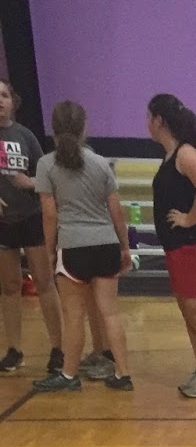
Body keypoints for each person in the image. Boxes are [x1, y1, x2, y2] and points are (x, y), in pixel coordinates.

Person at [31, 101, 133, 393]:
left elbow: (50, 215)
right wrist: (124, 246)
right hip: (106, 245)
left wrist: (50, 251)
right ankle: (123, 374)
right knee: (110, 312)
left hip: (73, 247)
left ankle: (68, 375)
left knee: (73, 316)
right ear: (84, 128)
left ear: (53, 129)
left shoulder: (46, 164)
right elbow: (116, 210)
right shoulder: (101, 163)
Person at [147, 93, 196, 398]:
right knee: (188, 311)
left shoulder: (185, 154)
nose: (146, 123)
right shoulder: (170, 156)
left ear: (159, 120)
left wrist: (190, 219)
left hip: (193, 244)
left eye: (148, 117)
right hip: (178, 247)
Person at [0, 79, 64, 376]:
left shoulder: (25, 136)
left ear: (13, 101)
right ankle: (14, 350)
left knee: (44, 282)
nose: (0, 101)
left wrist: (31, 183)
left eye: (3, 95)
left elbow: (48, 180)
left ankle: (58, 348)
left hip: (31, 218)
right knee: (10, 286)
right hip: (3, 224)